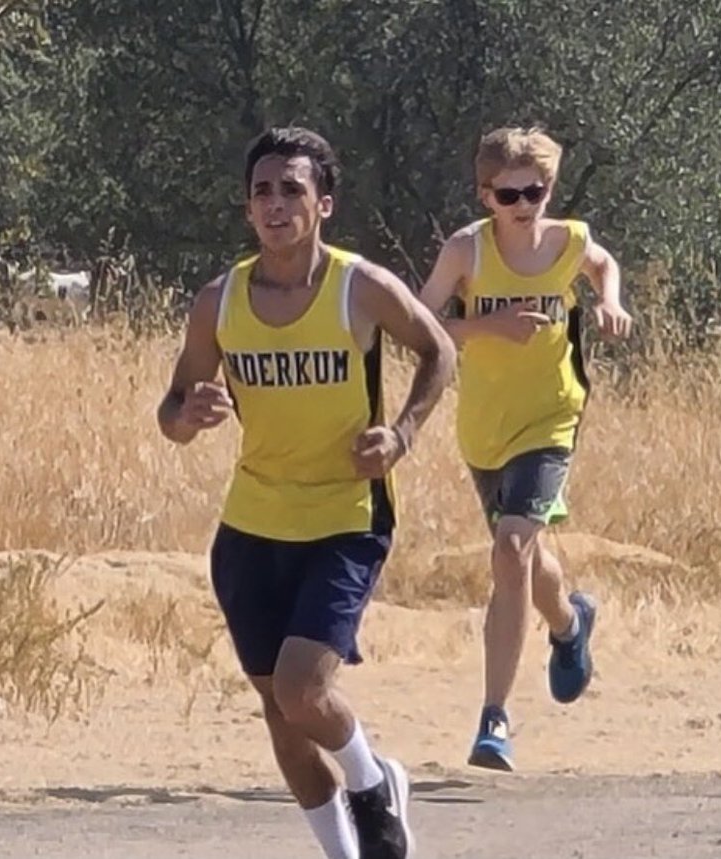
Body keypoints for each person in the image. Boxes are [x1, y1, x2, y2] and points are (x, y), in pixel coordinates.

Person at [158, 126, 456, 859]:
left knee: (302, 689)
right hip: (252, 526)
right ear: (246, 208)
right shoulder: (218, 302)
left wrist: (403, 433)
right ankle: (342, 850)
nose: (276, 203)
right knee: (280, 713)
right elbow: (170, 410)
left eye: (292, 188)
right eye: (262, 190)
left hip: (344, 518)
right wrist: (188, 415)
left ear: (324, 203)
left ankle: (373, 780)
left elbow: (439, 351)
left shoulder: (362, 286)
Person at [418, 125, 633, 772]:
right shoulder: (466, 252)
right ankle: (570, 624)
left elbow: (602, 264)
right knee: (525, 558)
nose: (523, 204)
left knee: (509, 547)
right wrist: (488, 326)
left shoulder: (568, 239)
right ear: (486, 194)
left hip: (551, 414)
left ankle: (494, 719)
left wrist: (610, 303)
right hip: (484, 426)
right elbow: (421, 325)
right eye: (509, 193)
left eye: (535, 190)